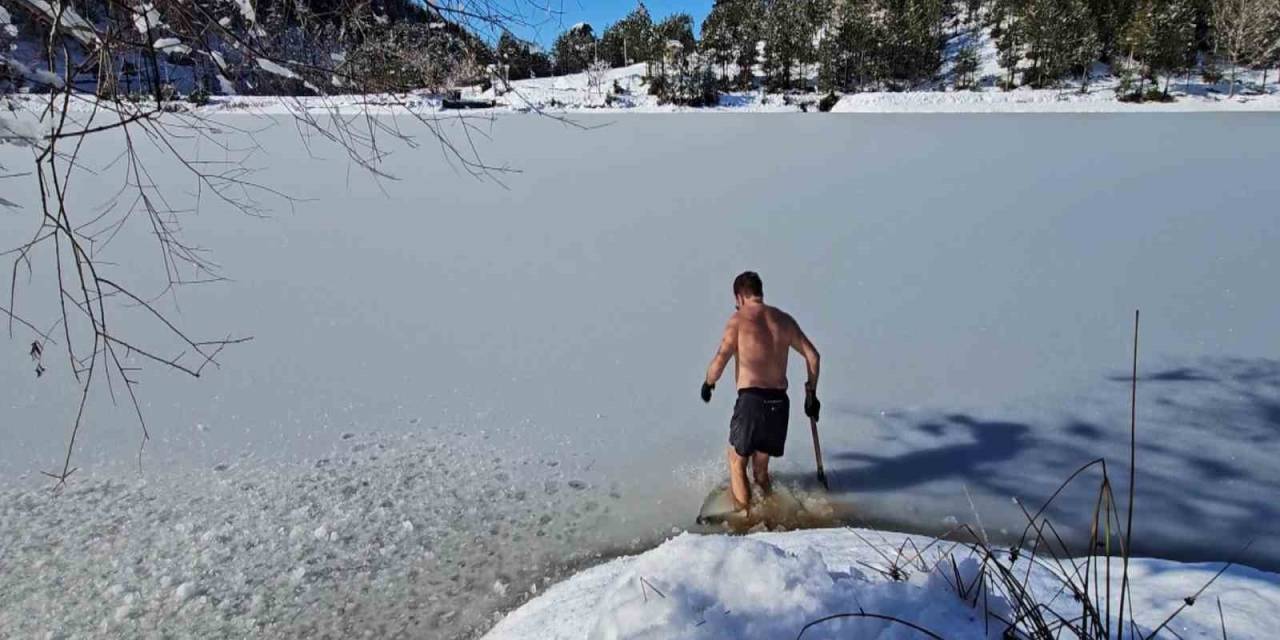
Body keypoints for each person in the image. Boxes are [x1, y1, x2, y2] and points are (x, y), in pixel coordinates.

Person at [701, 271, 820, 513]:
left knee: (736, 461)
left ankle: (746, 519)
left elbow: (720, 359)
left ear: (739, 296)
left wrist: (708, 383)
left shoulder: (738, 320)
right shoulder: (784, 320)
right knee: (761, 471)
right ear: (759, 292)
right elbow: (813, 356)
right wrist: (811, 393)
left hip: (752, 401)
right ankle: (769, 511)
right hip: (779, 403)